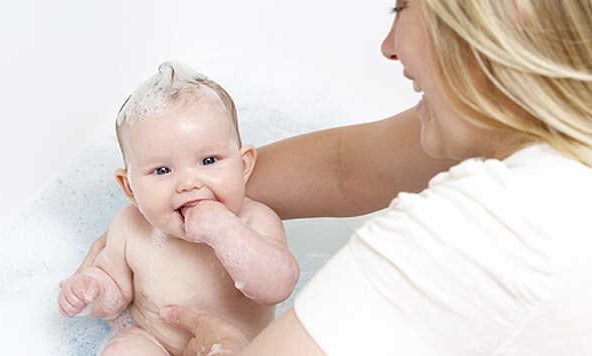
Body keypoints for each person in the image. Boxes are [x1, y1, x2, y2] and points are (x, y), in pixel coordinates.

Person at [155, 0, 592, 355]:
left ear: (505, 15)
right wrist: (170, 197)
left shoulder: (490, 228)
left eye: (400, 9)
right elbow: (345, 169)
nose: (388, 48)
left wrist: (227, 348)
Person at [57, 61, 299, 355]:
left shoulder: (255, 220)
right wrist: (92, 293)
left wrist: (224, 230)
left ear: (244, 165)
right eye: (161, 170)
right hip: (153, 340)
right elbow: (116, 289)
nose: (187, 183)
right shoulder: (130, 226)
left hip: (238, 347)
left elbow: (277, 287)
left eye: (208, 161)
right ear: (130, 187)